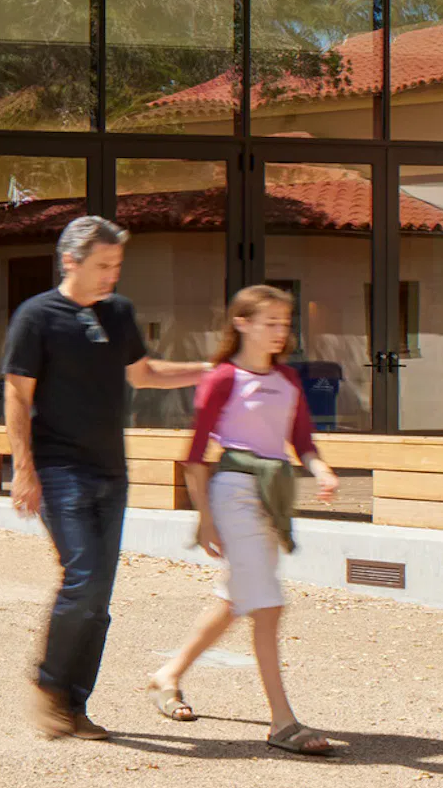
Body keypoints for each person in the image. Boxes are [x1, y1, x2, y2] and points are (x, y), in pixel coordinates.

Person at [4, 214, 207, 738]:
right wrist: (24, 470)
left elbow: (143, 374)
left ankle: (72, 706)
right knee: (84, 580)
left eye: (117, 266)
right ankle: (50, 684)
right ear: (70, 261)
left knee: (99, 599)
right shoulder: (36, 316)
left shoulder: (118, 313)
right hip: (58, 470)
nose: (111, 276)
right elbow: (17, 396)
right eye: (103, 266)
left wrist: (209, 371)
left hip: (111, 473)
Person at [147, 283, 345, 754]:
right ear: (242, 324)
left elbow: (302, 439)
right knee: (268, 605)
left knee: (236, 598)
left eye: (285, 323)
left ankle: (167, 674)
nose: (281, 332)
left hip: (273, 494)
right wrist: (205, 519)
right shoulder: (222, 378)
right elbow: (196, 455)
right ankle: (282, 722)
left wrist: (321, 469)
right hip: (233, 492)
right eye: (270, 322)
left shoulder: (288, 381)